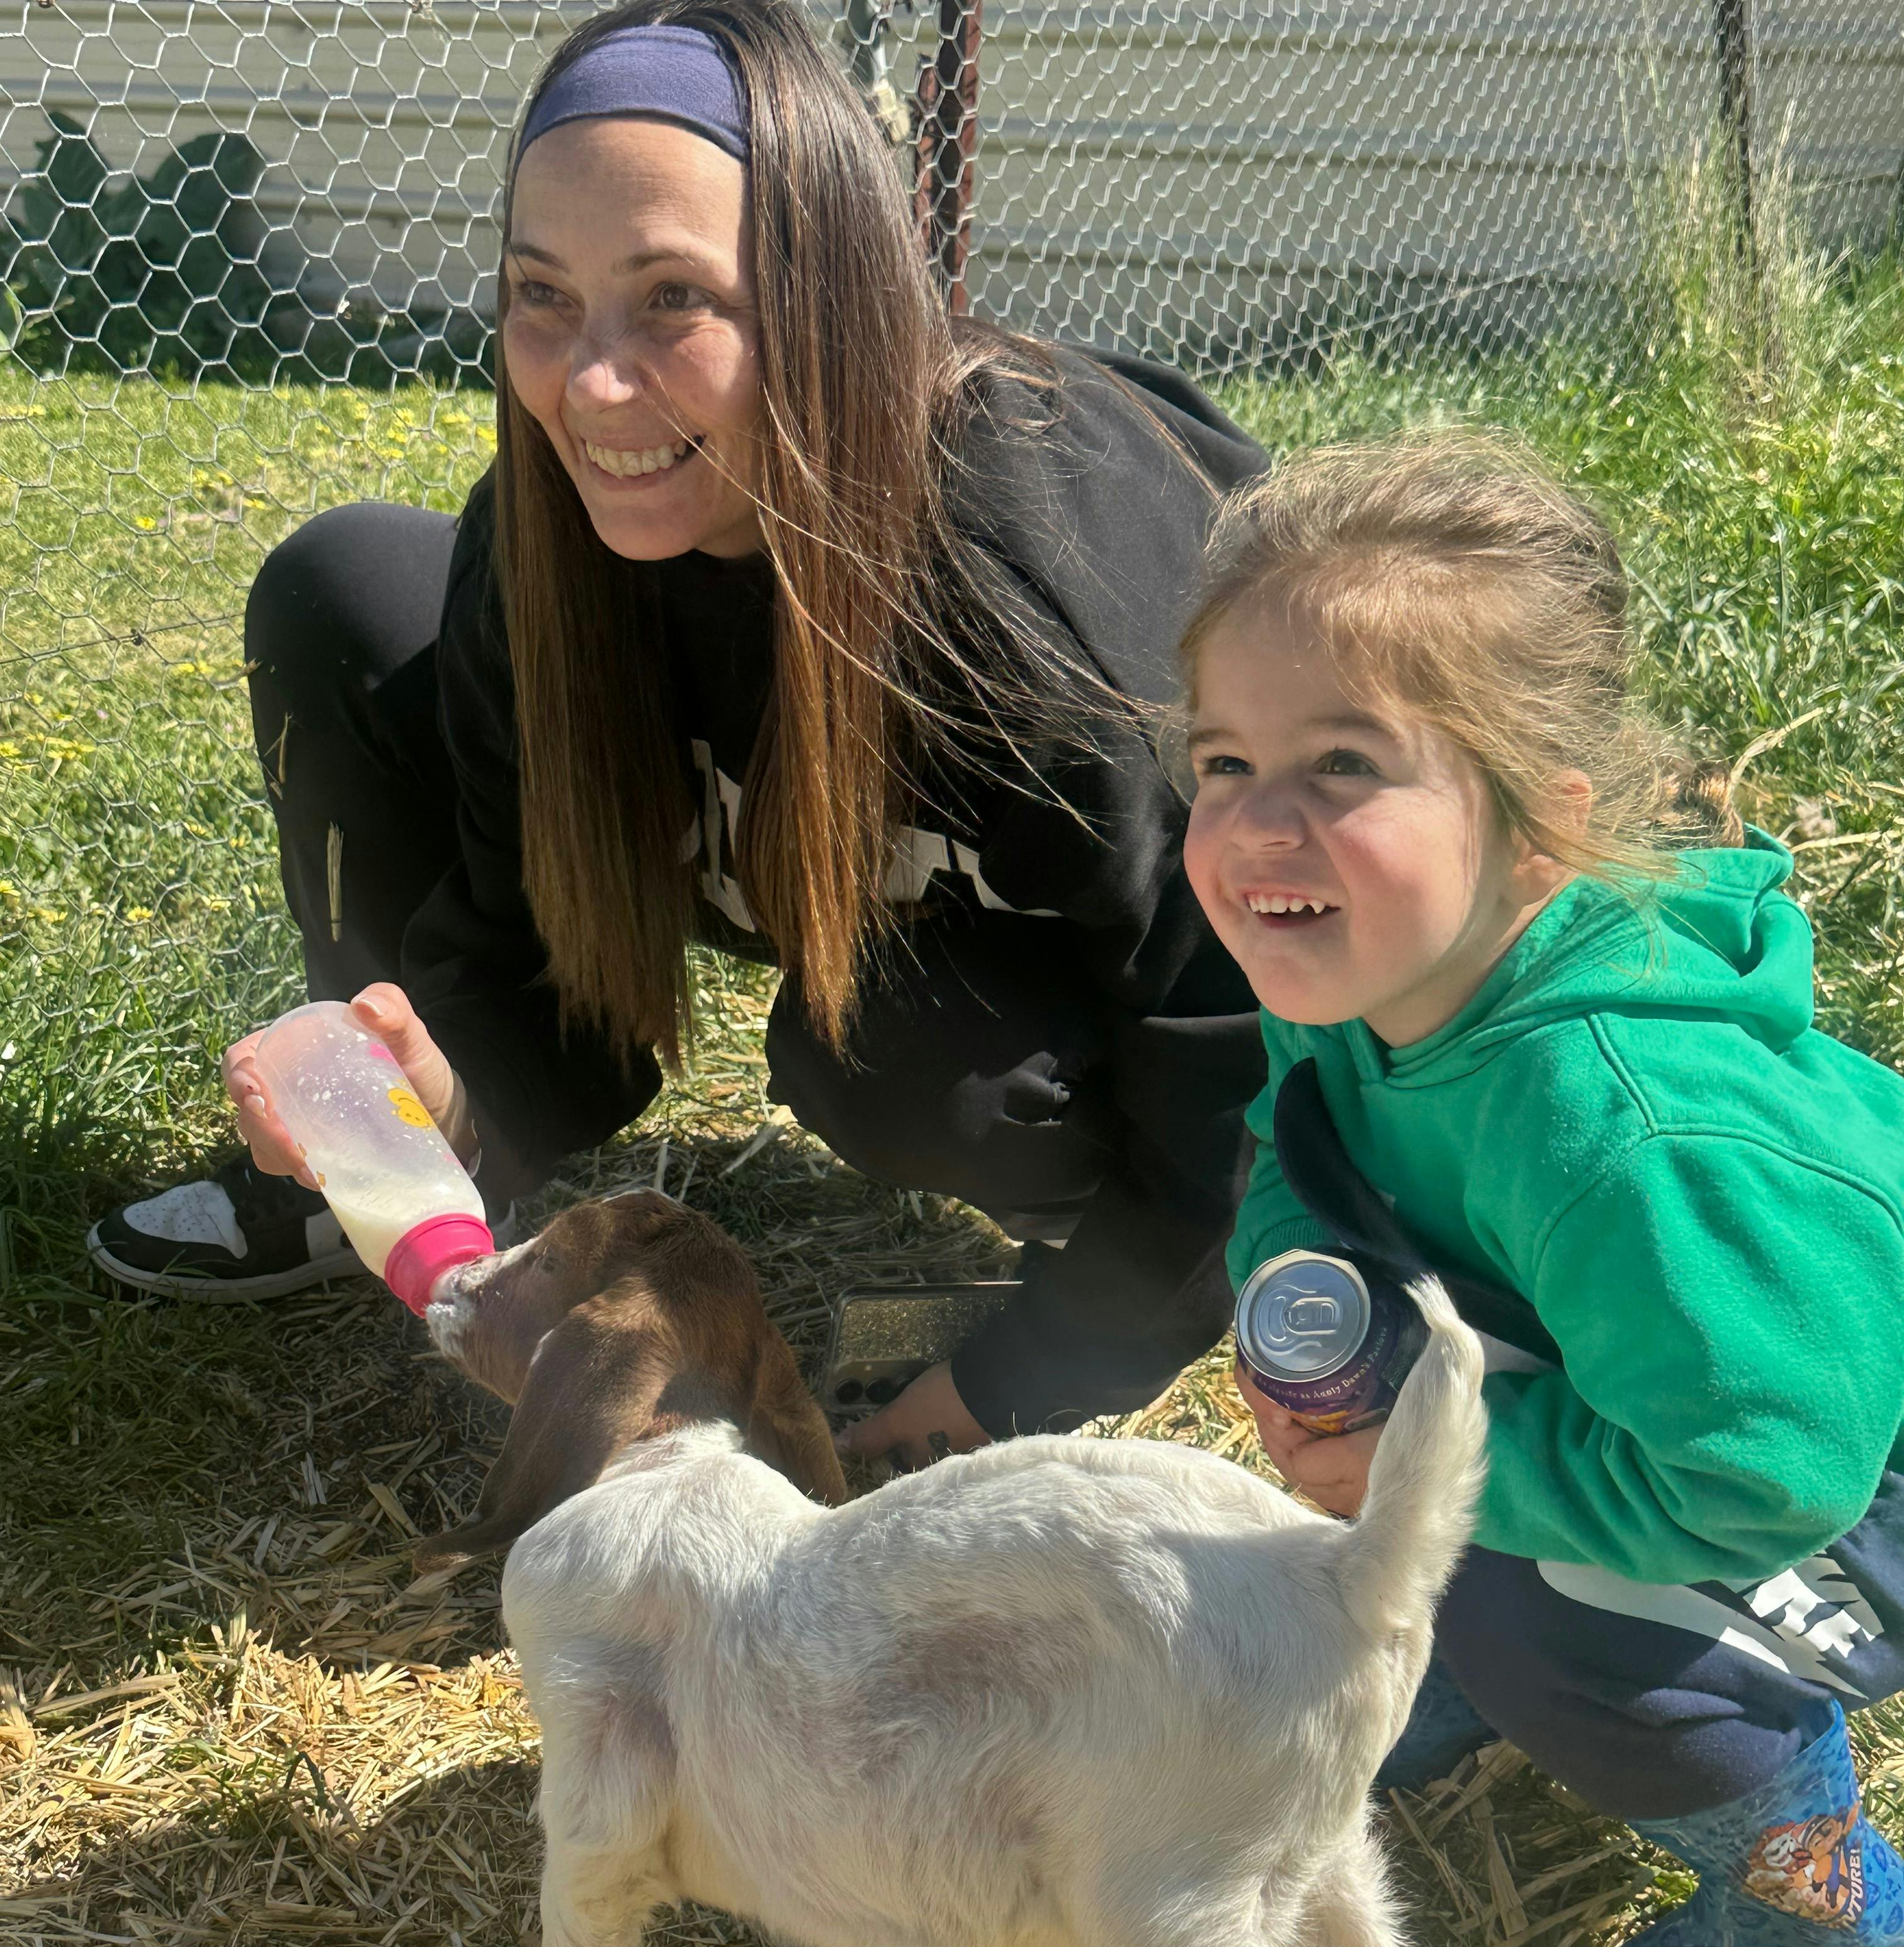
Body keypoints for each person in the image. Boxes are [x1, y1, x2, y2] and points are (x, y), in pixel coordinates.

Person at [88, 0, 1269, 1469]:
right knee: (351, 591)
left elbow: (1255, 1032)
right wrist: (427, 1094)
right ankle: (375, 1199)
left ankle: (1074, 1195)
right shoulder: (543, 549)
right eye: (542, 294)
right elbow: (555, 985)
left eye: (671, 300)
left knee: (898, 1054)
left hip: (1136, 936)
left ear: (823, 295)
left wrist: (1030, 1372)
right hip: (825, 869)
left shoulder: (1030, 591)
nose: (588, 387)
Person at [1179, 431, 1904, 1947]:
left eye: (1344, 764)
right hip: (1664, 1370)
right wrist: (1303, 1312)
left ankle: (1821, 1897)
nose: (1257, 828)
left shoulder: (1627, 1137)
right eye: (1225, 763)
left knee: (1551, 1616)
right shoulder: (1373, 970)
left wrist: (1436, 1477)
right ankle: (1492, 1637)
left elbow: (1768, 1471)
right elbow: (1308, 1138)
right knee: (1469, 1538)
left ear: (1539, 825)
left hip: (1836, 1462)